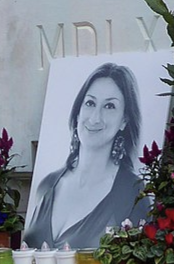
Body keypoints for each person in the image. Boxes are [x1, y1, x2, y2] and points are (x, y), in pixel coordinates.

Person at [23, 62, 150, 250]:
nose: (95, 118)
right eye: (90, 103)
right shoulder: (47, 185)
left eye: (109, 106)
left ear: (124, 120)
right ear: (78, 111)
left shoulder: (132, 193)